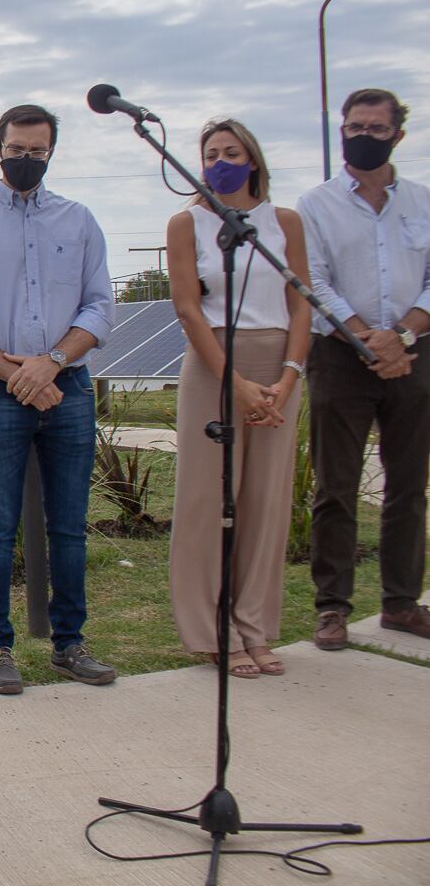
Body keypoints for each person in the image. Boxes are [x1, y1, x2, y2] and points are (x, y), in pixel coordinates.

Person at [0, 104, 116, 695]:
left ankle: (70, 645)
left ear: (51, 152)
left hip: (68, 387)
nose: (26, 160)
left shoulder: (79, 220)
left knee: (69, 527)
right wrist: (19, 378)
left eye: (37, 152)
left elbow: (98, 306)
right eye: (17, 149)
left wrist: (52, 364)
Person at [166, 119, 312, 678]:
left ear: (253, 160)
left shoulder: (285, 222)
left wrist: (289, 376)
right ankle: (211, 630)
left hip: (279, 367)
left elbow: (301, 301)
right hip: (213, 366)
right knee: (207, 499)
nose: (220, 161)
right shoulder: (188, 224)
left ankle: (253, 624)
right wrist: (236, 383)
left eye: (231, 152)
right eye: (210, 153)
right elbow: (187, 308)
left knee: (265, 501)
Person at [299, 88, 430, 648]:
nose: (363, 137)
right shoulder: (316, 205)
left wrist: (399, 336)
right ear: (342, 130)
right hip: (339, 357)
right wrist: (367, 338)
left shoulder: (424, 202)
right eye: (355, 127)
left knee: (408, 486)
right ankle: (332, 608)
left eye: (376, 129)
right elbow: (313, 281)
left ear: (397, 135)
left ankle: (401, 603)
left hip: (414, 356)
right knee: (336, 487)